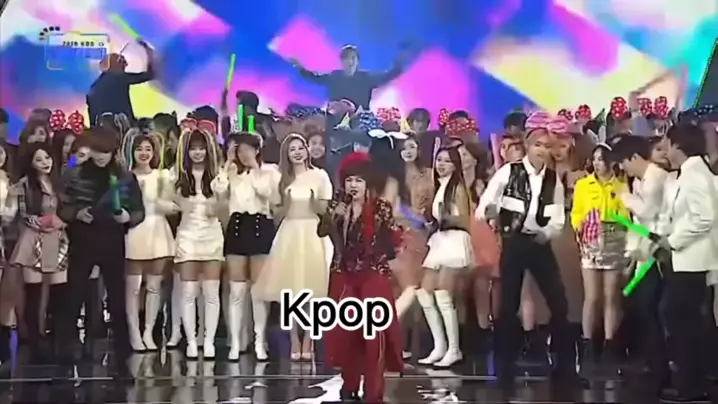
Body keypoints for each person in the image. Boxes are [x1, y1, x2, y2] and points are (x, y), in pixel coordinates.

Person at [475, 111, 574, 388]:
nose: (542, 150)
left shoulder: (553, 179)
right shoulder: (509, 172)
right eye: (537, 145)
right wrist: (492, 212)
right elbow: (485, 205)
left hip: (539, 243)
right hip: (514, 242)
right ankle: (504, 369)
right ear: (528, 146)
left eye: (546, 146)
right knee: (508, 305)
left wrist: (547, 233)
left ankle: (565, 367)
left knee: (559, 302)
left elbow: (557, 219)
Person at [56, 126, 145, 379]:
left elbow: (139, 211)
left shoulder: (125, 177)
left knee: (117, 299)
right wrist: (76, 214)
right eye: (97, 151)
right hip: (83, 240)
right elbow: (61, 207)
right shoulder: (73, 175)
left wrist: (127, 217)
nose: (101, 156)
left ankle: (122, 357)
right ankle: (63, 354)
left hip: (112, 240)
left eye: (106, 152)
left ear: (114, 151)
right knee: (73, 296)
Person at [323, 151, 403, 402]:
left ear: (367, 182)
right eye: (349, 180)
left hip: (372, 274)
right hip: (344, 274)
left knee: (373, 335)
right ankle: (349, 386)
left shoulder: (380, 207)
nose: (353, 185)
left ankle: (373, 391)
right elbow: (321, 231)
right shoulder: (337, 206)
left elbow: (391, 243)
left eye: (358, 180)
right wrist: (335, 217)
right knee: (346, 333)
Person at [654, 123, 718, 402]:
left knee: (678, 317)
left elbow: (705, 217)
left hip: (692, 261)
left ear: (678, 145)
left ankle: (689, 385)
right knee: (683, 319)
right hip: (684, 260)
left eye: (667, 144)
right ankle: (690, 382)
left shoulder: (694, 174)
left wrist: (674, 241)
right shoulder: (688, 172)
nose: (665, 150)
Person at [255, 134, 333, 361]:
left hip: (312, 233)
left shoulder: (320, 175)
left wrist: (313, 202)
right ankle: (294, 340)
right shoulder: (281, 179)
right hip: (289, 233)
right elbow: (276, 214)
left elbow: (324, 210)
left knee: (314, 291)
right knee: (290, 290)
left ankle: (309, 340)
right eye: (292, 150)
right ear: (286, 155)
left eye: (300, 148)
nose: (297, 152)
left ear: (307, 150)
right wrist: (286, 205)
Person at [611, 135, 672, 385]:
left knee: (648, 308)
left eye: (623, 162)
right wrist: (630, 254)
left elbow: (648, 213)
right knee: (642, 307)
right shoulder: (639, 181)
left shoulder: (657, 178)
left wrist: (625, 197)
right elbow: (637, 223)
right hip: (644, 253)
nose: (622, 168)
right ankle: (653, 364)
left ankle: (661, 368)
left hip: (660, 253)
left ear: (635, 157)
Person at [571, 144, 629, 365]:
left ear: (611, 162)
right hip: (590, 242)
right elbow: (576, 212)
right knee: (592, 297)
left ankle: (610, 344)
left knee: (611, 296)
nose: (597, 163)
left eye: (601, 159)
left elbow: (626, 217)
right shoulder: (583, 185)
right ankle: (587, 344)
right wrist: (580, 225)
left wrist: (615, 222)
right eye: (594, 159)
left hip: (614, 241)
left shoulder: (621, 186)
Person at [290, 45, 406, 110]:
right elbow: (314, 77)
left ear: (358, 61)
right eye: (346, 58)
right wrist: (300, 68)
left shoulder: (366, 78)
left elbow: (386, 76)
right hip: (336, 119)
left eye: (353, 58)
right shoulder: (334, 77)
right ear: (341, 61)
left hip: (360, 121)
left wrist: (399, 64)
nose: (350, 62)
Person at [86, 39, 156, 124]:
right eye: (123, 63)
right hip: (122, 126)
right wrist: (149, 51)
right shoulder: (119, 77)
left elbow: (92, 116)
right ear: (116, 64)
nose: (126, 65)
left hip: (100, 127)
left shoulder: (93, 87)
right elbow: (150, 75)